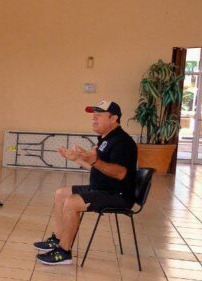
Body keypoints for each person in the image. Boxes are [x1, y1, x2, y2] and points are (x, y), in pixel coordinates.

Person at [34, 101, 138, 266]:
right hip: (101, 188)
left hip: (117, 194)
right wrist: (77, 159)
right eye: (93, 115)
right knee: (61, 194)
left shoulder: (122, 142)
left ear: (113, 118)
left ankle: (64, 252)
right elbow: (98, 167)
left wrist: (94, 160)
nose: (94, 118)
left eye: (99, 115)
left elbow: (120, 173)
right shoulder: (106, 139)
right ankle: (58, 239)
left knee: (71, 202)